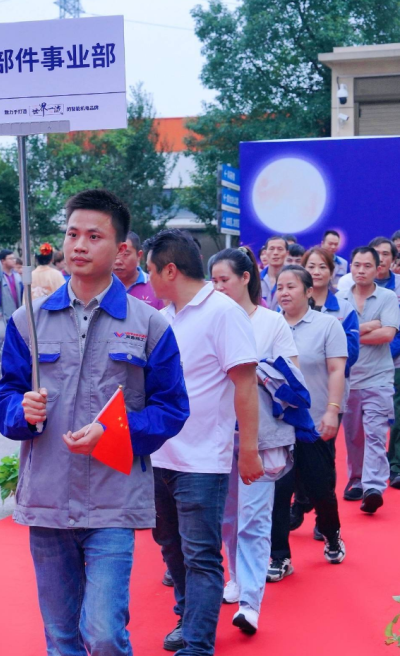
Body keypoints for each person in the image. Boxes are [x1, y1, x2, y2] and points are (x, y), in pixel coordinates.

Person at [0, 189, 190, 656]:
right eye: (72, 233)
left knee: (103, 635)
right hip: (47, 498)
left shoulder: (150, 325)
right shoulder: (27, 322)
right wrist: (21, 412)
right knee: (62, 638)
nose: (79, 245)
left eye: (94, 236)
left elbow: (172, 408)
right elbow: (4, 399)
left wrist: (115, 431)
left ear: (120, 248)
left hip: (113, 501)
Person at [146, 229, 262, 655]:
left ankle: (197, 644)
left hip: (203, 460)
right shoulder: (164, 317)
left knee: (201, 555)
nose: (147, 278)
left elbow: (245, 385)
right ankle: (187, 617)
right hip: (160, 454)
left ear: (169, 270)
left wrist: (248, 450)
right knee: (169, 545)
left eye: (149, 270)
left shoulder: (223, 312)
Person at [210, 247, 301, 634]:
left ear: (246, 278)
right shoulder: (209, 319)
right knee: (227, 517)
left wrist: (251, 371)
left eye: (224, 280)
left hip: (261, 436)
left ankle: (250, 602)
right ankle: (234, 576)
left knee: (254, 518)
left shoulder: (271, 322)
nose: (217, 287)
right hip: (216, 436)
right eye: (213, 281)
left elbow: (292, 376)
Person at [272, 265, 348, 572]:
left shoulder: (327, 325)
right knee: (278, 492)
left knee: (320, 488)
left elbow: (337, 370)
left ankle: (331, 534)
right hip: (276, 425)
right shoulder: (269, 324)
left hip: (314, 422)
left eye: (291, 286)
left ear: (308, 291)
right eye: (279, 287)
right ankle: (279, 556)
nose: (284, 292)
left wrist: (332, 409)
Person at [337, 247, 400, 514]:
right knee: (353, 436)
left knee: (375, 433)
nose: (361, 270)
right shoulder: (338, 298)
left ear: (378, 269)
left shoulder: (387, 297)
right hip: (347, 378)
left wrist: (350, 334)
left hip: (379, 377)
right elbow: (333, 335)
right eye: (356, 265)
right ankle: (356, 479)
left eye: (367, 266)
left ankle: (373, 486)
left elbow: (387, 334)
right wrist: (366, 327)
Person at [371, 239, 400, 490]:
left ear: (393, 259)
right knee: (366, 419)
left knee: (399, 415)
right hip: (364, 363)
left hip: (397, 361)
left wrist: (386, 353)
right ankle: (368, 470)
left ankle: (398, 468)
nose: (380, 259)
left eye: (385, 254)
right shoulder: (353, 284)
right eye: (376, 254)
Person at [113, 230, 163, 309]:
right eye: (114, 254)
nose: (118, 261)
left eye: (125, 254)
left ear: (139, 255)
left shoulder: (156, 285)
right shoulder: (100, 285)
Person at [260, 235, 289, 310]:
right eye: (271, 249)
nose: (275, 253)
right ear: (265, 252)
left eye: (280, 249)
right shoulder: (255, 279)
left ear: (287, 253)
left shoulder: (293, 279)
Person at [0, 249, 23, 314]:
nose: (14, 260)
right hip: (4, 314)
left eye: (14, 258)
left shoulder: (17, 276)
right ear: (3, 261)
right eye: (11, 259)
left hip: (17, 313)